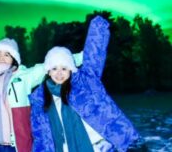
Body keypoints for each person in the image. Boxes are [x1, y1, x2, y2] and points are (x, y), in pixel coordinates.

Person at [0, 34, 84, 152]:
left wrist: (82, 57)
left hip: (15, 145)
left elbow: (54, 61)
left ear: (14, 58)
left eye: (7, 55)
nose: (1, 58)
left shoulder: (24, 78)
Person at [29, 16, 140, 152]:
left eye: (64, 68)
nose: (59, 73)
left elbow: (94, 56)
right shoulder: (39, 99)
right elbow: (41, 135)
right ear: (48, 71)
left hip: (99, 147)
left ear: (71, 69)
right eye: (54, 68)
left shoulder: (85, 83)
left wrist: (98, 28)